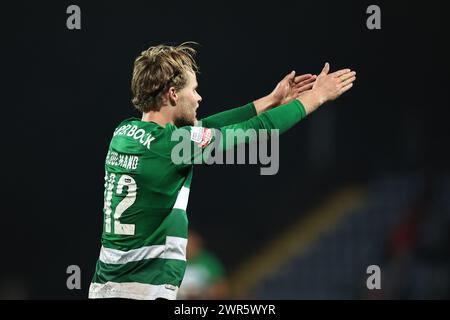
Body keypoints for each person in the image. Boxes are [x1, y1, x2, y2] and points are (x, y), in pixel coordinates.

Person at [88, 42, 356, 300]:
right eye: (193, 90)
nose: (199, 97)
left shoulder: (124, 133)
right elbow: (256, 131)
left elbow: (203, 129)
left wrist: (270, 100)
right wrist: (317, 96)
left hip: (106, 286)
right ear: (172, 93)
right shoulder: (172, 147)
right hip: (143, 291)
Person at [177, 230, 229, 300]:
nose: (188, 246)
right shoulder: (173, 262)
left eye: (190, 243)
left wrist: (203, 293)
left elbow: (222, 288)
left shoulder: (209, 262)